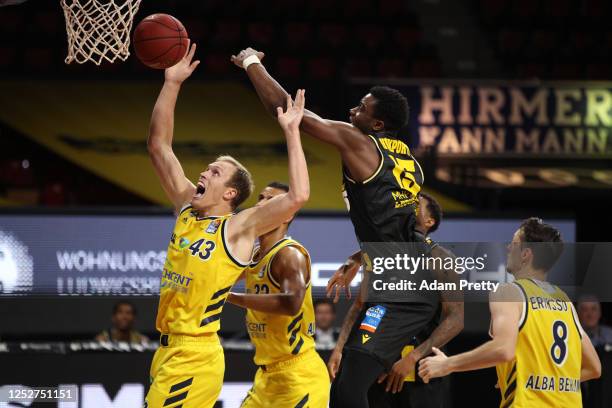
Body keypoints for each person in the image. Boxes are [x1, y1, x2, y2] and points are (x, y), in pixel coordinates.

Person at [232, 47, 449, 408]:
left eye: (362, 109)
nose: (353, 111)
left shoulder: (359, 142)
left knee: (350, 390)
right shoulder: (408, 161)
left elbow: (291, 113)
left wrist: (252, 64)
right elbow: (398, 229)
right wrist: (359, 256)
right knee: (354, 380)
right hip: (397, 281)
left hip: (403, 287)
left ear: (377, 125)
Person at [144, 43, 310, 408]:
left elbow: (297, 196)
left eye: (214, 172)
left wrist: (292, 132)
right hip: (166, 350)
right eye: (207, 168)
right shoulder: (188, 207)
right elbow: (158, 146)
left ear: (231, 192)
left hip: (196, 355)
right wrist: (172, 83)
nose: (203, 172)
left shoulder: (237, 227)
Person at [419, 218, 602, 407]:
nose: (508, 248)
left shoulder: (509, 291)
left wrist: (446, 365)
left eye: (514, 244)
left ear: (525, 254)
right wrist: (545, 383)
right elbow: (594, 368)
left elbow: (502, 350)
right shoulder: (565, 301)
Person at [328, 192, 462, 408]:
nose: (407, 206)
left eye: (415, 204)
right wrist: (340, 349)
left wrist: (411, 359)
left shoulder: (441, 258)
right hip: (378, 361)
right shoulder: (380, 254)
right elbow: (360, 306)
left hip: (419, 367)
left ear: (429, 221)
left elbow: (455, 319)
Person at [227, 181, 329, 408]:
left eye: (270, 201)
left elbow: (292, 303)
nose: (261, 204)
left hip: (298, 376)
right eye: (261, 198)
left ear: (286, 216)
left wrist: (230, 296)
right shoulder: (254, 253)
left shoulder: (289, 255)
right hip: (267, 377)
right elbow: (219, 276)